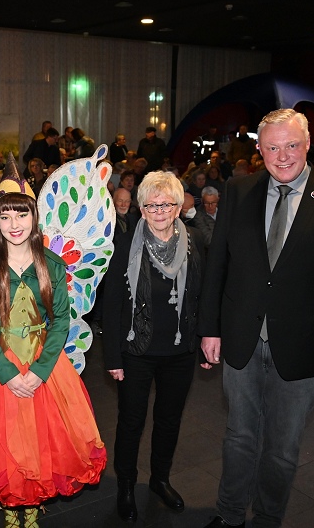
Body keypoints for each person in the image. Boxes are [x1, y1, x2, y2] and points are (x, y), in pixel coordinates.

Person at [199, 109, 314, 528]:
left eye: (292, 145)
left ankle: (267, 518)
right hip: (241, 339)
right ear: (259, 150)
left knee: (282, 448)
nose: (283, 156)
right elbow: (218, 264)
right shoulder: (238, 189)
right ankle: (229, 514)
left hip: (303, 346)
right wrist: (210, 328)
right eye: (273, 147)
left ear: (307, 144)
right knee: (238, 438)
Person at [0, 190, 106, 528]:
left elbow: (61, 321)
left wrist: (40, 371)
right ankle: (11, 508)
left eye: (22, 215)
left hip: (44, 363)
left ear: (34, 218)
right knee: (1, 438)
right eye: (6, 216)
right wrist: (8, 373)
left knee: (42, 438)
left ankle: (33, 505)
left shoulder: (52, 264)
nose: (14, 224)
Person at [103, 171, 205, 523]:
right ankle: (126, 486)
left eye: (166, 204)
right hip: (136, 351)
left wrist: (206, 338)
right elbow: (112, 302)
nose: (159, 211)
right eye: (151, 205)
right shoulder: (125, 243)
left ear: (178, 207)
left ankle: (160, 479)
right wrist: (112, 356)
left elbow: (204, 292)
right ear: (141, 208)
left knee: (169, 420)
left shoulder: (194, 240)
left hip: (180, 350)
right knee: (131, 421)